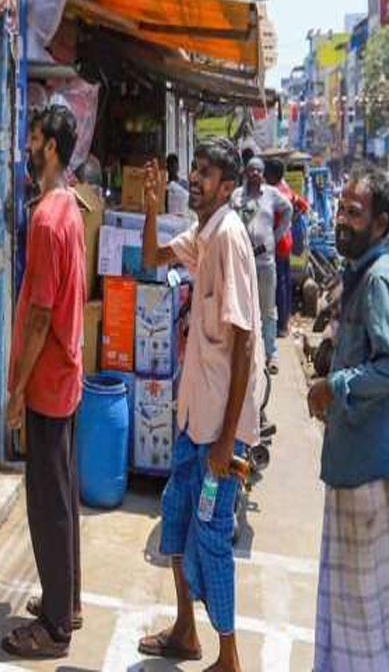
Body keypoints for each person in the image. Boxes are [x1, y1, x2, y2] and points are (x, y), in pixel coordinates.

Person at [138, 140, 264, 672]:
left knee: (211, 537)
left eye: (206, 174)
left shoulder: (230, 238)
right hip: (195, 419)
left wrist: (224, 439)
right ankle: (186, 631)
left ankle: (229, 656)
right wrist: (149, 209)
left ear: (228, 187)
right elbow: (152, 258)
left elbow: (243, 343)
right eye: (194, 170)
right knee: (174, 514)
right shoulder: (204, 235)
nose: (194, 179)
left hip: (221, 432)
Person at [306, 164, 389, 671]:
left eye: (354, 214)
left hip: (370, 466)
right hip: (353, 459)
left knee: (373, 603)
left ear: (381, 224)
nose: (341, 221)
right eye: (341, 209)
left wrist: (334, 386)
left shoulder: (377, 279)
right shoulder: (359, 276)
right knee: (353, 600)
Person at [2, 105, 86, 660]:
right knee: (63, 495)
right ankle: (66, 601)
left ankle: (55, 627)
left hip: (49, 378)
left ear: (50, 147)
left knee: (47, 503)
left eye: (33, 140)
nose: (28, 149)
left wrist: (15, 390)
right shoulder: (69, 209)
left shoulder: (48, 218)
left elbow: (38, 313)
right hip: (65, 375)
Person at [231, 157, 292, 375]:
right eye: (251, 170)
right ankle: (245, 354)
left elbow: (288, 210)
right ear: (245, 173)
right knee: (242, 309)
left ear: (263, 173)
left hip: (265, 262)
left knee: (268, 309)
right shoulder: (237, 196)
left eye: (259, 170)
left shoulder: (272, 194)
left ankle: (271, 354)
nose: (255, 173)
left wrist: (276, 236)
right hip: (242, 262)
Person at [264, 158, 307, 338]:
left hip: (277, 242)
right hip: (285, 242)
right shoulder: (286, 189)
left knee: (278, 284)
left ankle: (281, 325)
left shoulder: (276, 193)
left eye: (266, 173)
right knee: (284, 283)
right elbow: (303, 205)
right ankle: (284, 323)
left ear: (273, 175)